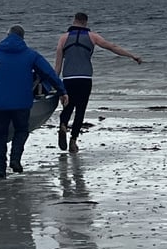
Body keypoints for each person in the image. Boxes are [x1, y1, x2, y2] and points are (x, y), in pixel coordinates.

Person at [0, 25, 68, 178]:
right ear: (22, 37)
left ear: (7, 35)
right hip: (22, 103)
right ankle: (15, 159)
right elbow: (48, 73)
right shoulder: (31, 55)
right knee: (21, 130)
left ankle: (0, 168)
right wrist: (61, 90)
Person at [54, 12, 143, 152]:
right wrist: (132, 55)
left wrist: (56, 85)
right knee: (80, 110)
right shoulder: (92, 36)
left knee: (68, 107)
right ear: (85, 22)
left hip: (68, 79)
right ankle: (73, 140)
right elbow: (112, 47)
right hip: (85, 78)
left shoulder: (63, 38)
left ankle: (63, 125)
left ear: (74, 21)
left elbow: (58, 65)